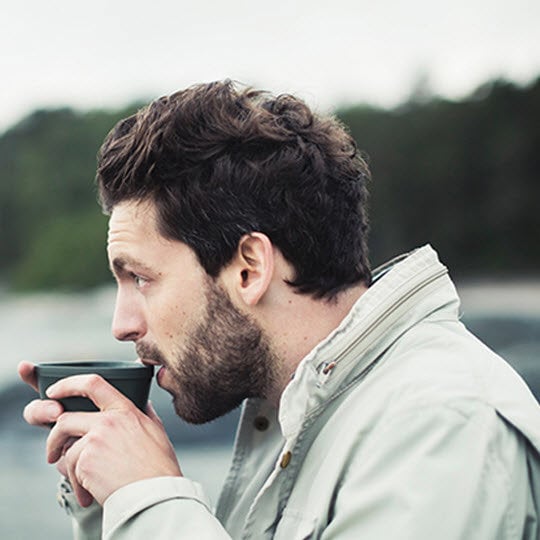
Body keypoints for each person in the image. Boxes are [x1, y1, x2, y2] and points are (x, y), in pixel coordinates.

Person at [20, 80, 540, 539]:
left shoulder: (442, 428)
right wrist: (110, 501)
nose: (122, 325)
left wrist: (151, 499)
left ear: (249, 268)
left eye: (141, 278)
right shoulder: (296, 408)